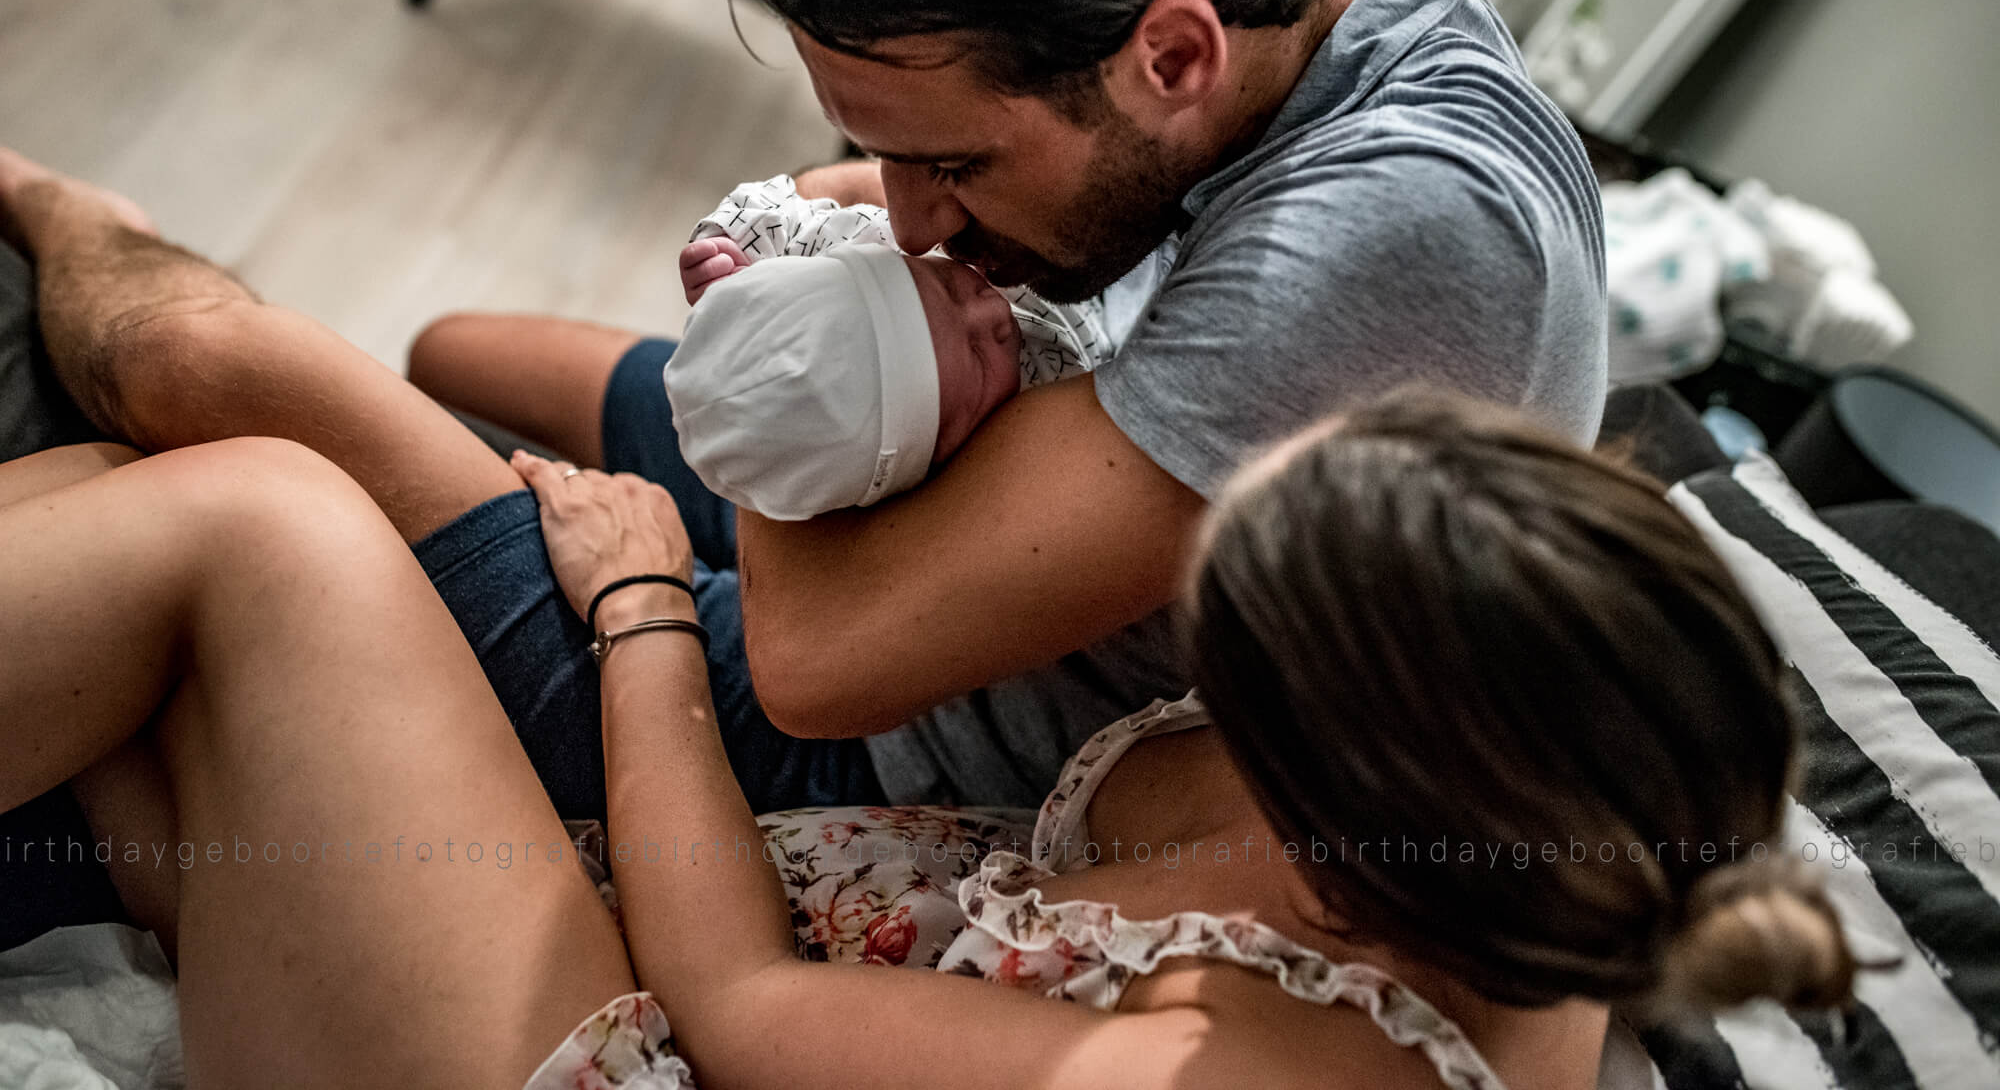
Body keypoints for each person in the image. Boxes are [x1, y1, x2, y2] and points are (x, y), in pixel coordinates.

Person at [0, 388, 1857, 1088]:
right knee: (105, 492)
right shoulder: (1574, 803)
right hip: (677, 919)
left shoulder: (1240, 1073)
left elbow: (743, 1008)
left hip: (671, 1027)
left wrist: (644, 606)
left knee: (257, 517)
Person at [409, 0, 1610, 811]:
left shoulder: (1396, 232)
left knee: (307, 443)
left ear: (1174, 58)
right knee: (452, 355)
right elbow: (843, 192)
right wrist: (809, 292)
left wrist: (761, 396)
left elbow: (815, 670)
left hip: (924, 744)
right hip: (920, 482)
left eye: (953, 165)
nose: (912, 219)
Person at [665, 173, 1100, 519]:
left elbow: (765, 207)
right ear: (932, 459)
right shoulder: (1008, 456)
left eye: (946, 286)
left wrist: (725, 247)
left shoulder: (863, 245)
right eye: (976, 355)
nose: (992, 313)